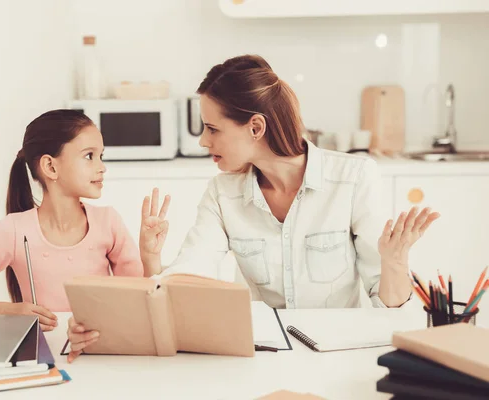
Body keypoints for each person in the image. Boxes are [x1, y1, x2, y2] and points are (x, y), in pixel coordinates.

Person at [65, 55, 439, 362]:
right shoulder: (222, 193)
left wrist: (393, 262)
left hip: (340, 354)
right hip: (263, 356)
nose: (202, 140)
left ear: (255, 127)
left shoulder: (355, 177)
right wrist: (107, 319)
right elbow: (186, 277)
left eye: (213, 129)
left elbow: (388, 308)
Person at [0, 109, 170, 332]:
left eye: (101, 156)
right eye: (89, 156)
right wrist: (7, 310)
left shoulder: (108, 222)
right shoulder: (14, 230)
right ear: (50, 166)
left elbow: (140, 300)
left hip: (101, 348)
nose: (102, 167)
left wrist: (150, 257)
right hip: (43, 355)